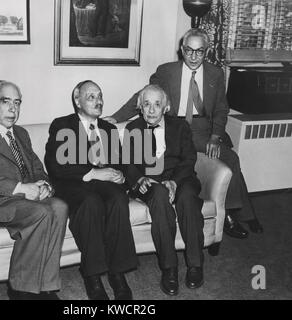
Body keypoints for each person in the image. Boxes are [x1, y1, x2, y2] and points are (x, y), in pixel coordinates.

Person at [104, 28, 263, 239]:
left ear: (206, 51)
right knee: (228, 160)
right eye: (189, 50)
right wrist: (116, 118)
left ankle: (235, 212)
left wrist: (215, 137)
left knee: (230, 158)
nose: (194, 56)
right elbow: (141, 97)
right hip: (175, 127)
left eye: (199, 51)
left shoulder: (215, 73)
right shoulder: (167, 72)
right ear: (182, 49)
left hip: (202, 130)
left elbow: (221, 109)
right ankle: (237, 215)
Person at [0, 80, 68, 300]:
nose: (13, 109)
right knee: (42, 212)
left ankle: (45, 284)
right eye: (7, 102)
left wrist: (45, 185)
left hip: (27, 199)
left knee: (60, 207)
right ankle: (21, 289)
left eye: (17, 103)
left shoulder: (21, 134)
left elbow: (37, 168)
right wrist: (20, 188)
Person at [44, 80, 137, 300]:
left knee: (117, 199)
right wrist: (92, 173)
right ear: (77, 100)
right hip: (73, 184)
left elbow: (122, 161)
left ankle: (117, 273)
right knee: (91, 202)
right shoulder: (62, 125)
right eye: (91, 96)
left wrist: (122, 175)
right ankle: (93, 276)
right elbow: (55, 164)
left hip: (104, 184)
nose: (99, 101)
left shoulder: (109, 128)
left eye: (100, 96)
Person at [123, 84, 204, 295]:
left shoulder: (180, 127)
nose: (151, 110)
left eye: (157, 104)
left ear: (166, 107)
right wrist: (139, 178)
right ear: (140, 107)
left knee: (187, 197)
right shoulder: (133, 129)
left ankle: (195, 264)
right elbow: (128, 163)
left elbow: (189, 159)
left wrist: (175, 182)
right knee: (158, 195)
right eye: (147, 104)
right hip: (149, 182)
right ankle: (169, 268)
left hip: (180, 177)